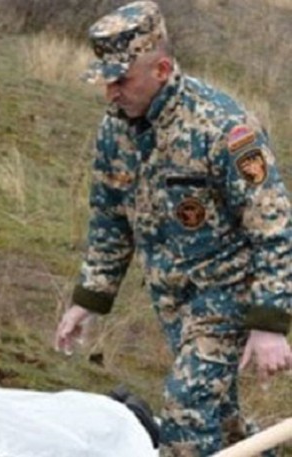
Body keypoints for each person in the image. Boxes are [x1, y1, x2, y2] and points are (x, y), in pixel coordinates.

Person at [53, 1, 292, 455]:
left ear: (161, 68)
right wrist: (89, 299)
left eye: (121, 80)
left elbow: (273, 224)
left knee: (185, 411)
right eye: (106, 80)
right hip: (172, 298)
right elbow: (110, 218)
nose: (111, 92)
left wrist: (269, 324)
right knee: (219, 416)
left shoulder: (223, 127)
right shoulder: (116, 130)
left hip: (228, 293)